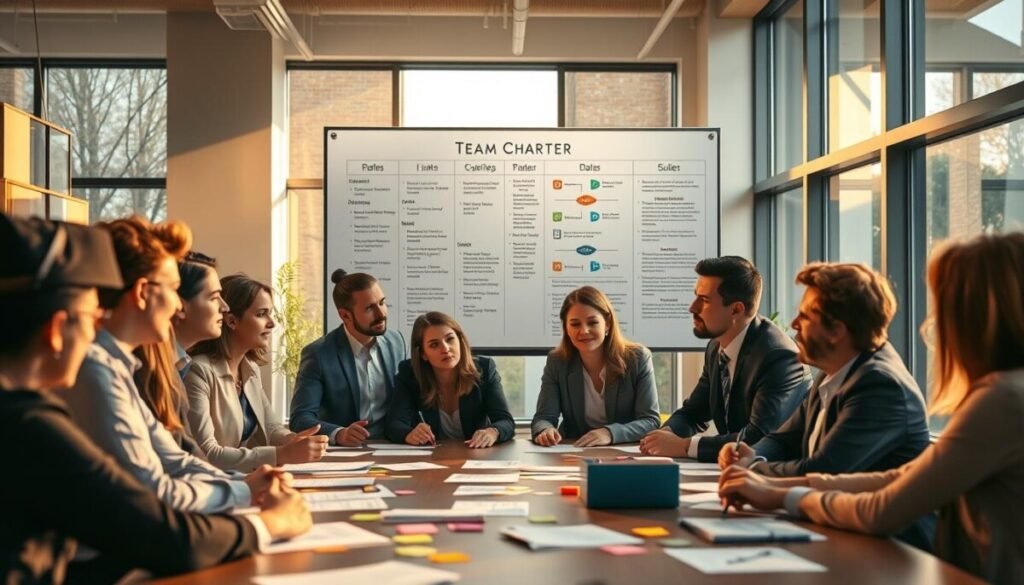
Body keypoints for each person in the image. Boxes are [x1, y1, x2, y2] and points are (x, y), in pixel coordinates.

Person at [0, 214, 309, 583]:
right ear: (55, 331)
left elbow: (172, 459)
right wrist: (268, 522)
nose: (97, 324)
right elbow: (156, 520)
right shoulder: (30, 421)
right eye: (89, 315)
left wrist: (246, 487)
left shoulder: (61, 395)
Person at [719, 232, 1024, 584]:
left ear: (977, 315)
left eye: (944, 307)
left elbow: (883, 508)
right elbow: (902, 478)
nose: (932, 325)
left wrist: (782, 495)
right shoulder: (1006, 393)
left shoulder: (1001, 400)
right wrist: (771, 485)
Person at [63, 217, 279, 513]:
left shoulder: (118, 366)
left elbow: (174, 459)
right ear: (142, 292)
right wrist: (245, 491)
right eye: (172, 289)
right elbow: (153, 488)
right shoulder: (97, 368)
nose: (178, 306)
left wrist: (245, 485)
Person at [719, 262, 931, 477]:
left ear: (836, 331)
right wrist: (750, 454)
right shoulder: (834, 370)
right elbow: (782, 439)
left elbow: (821, 471)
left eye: (805, 317)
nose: (794, 324)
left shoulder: (880, 386)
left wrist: (752, 467)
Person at [639, 256, 809, 461]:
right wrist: (666, 435)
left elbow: (759, 437)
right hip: (734, 469)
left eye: (705, 300)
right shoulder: (716, 347)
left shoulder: (779, 357)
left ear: (736, 309)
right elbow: (693, 413)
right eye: (696, 297)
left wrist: (685, 446)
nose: (692, 308)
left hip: (776, 476)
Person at [187, 274, 327, 471]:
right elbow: (206, 454)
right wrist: (282, 454)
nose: (272, 323)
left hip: (241, 477)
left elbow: (271, 428)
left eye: (270, 313)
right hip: (210, 485)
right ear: (232, 321)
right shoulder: (198, 371)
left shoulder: (249, 368)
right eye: (262, 314)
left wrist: (292, 439)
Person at [531, 286, 660, 446]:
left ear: (607, 324)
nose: (584, 331)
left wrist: (610, 433)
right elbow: (543, 417)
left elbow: (650, 421)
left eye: (592, 322)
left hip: (623, 452)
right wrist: (545, 430)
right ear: (566, 328)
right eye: (575, 324)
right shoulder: (557, 361)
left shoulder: (637, 358)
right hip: (574, 452)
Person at [289, 270, 406, 446]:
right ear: (345, 315)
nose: (381, 314)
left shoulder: (396, 341)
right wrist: (339, 433)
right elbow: (300, 418)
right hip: (345, 452)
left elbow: (407, 400)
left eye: (382, 303)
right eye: (369, 308)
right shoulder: (318, 354)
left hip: (395, 446)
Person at [136, 250, 227, 456]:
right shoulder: (146, 371)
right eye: (214, 298)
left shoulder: (179, 365)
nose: (225, 307)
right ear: (180, 306)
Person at [385, 312, 514, 447]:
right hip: (431, 457)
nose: (445, 349)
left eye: (450, 339)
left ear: (460, 340)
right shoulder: (410, 374)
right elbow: (394, 424)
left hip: (475, 455)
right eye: (434, 345)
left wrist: (492, 432)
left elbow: (505, 421)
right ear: (423, 354)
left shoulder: (484, 369)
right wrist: (409, 434)